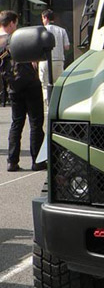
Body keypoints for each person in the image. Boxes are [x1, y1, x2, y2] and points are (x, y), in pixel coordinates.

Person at [0, 10, 46, 172]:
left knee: (16, 123)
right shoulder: (21, 36)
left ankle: (12, 161)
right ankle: (38, 160)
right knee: (35, 123)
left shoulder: (0, 42)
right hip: (30, 84)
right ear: (12, 22)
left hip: (12, 86)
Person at [40, 9, 70, 105]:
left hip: (44, 60)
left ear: (45, 18)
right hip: (59, 60)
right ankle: (57, 104)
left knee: (45, 85)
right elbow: (67, 47)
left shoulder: (41, 30)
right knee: (58, 84)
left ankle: (48, 103)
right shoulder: (62, 30)